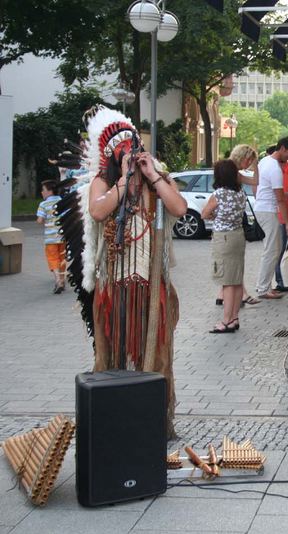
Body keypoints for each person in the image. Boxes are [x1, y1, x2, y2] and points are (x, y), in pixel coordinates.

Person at [57, 105, 187, 438]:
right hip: (114, 289)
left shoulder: (154, 178)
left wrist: (152, 175)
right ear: (113, 155)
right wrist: (123, 181)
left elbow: (180, 208)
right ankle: (115, 418)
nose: (132, 153)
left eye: (135, 147)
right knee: (111, 354)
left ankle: (153, 420)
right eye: (124, 150)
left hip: (151, 286)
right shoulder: (103, 182)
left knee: (155, 356)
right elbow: (98, 212)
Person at [202, 160, 248, 333]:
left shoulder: (219, 194)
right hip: (238, 236)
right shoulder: (241, 193)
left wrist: (216, 218)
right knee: (236, 280)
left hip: (224, 238)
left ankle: (226, 320)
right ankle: (235, 318)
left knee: (227, 281)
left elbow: (204, 214)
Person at [214, 144, 260, 307]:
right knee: (233, 264)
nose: (249, 165)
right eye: (250, 161)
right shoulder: (232, 172)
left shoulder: (229, 170)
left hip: (224, 227)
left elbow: (255, 181)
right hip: (230, 227)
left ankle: (223, 294)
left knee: (229, 263)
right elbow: (255, 181)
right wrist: (256, 165)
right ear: (245, 158)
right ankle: (241, 296)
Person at [254, 137, 288, 299]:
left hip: (262, 208)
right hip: (269, 210)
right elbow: (280, 199)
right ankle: (263, 288)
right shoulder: (275, 169)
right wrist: (287, 223)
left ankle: (263, 286)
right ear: (282, 148)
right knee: (273, 250)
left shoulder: (264, 161)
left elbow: (256, 184)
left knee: (270, 249)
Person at [36, 180, 66, 294]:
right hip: (62, 236)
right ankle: (62, 280)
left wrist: (41, 219)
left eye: (43, 190)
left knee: (53, 258)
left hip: (50, 239)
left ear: (49, 191)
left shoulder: (43, 204)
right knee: (62, 258)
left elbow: (40, 220)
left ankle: (58, 280)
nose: (41, 192)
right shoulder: (62, 201)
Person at [274, 156, 288, 293]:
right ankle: (281, 281)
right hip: (280, 218)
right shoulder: (273, 171)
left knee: (287, 252)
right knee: (280, 251)